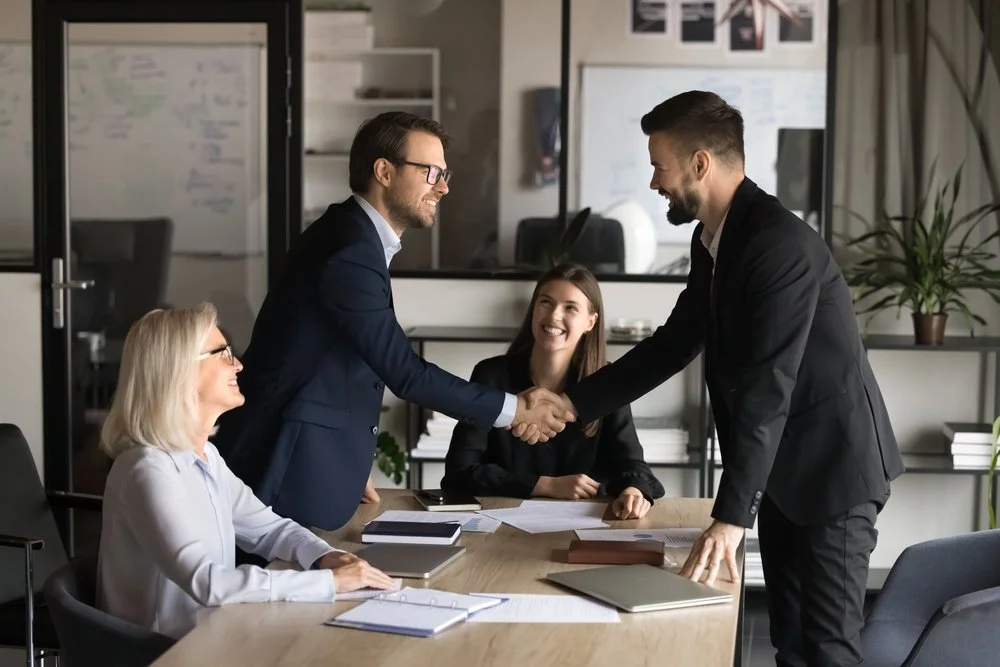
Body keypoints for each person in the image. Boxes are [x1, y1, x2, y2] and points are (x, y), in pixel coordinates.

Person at [521, 91, 903, 667]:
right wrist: (571, 404)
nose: (654, 181)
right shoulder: (715, 239)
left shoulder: (777, 246)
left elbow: (767, 387)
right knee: (791, 647)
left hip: (832, 474)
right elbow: (673, 345)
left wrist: (729, 518)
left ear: (700, 163)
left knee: (827, 651)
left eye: (659, 165)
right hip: (779, 470)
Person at [212, 111, 571, 532]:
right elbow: (404, 372)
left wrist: (344, 456)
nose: (444, 186)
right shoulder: (349, 249)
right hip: (280, 458)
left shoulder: (353, 237)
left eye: (444, 172)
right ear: (384, 171)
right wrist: (514, 410)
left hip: (308, 454)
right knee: (258, 589)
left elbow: (340, 360)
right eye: (431, 172)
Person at [96, 304, 396, 640]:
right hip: (163, 653)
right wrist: (328, 583)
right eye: (222, 353)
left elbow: (269, 530)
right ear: (180, 371)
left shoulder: (204, 455)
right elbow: (208, 583)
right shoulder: (148, 470)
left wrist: (327, 558)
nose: (237, 364)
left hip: (213, 635)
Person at [441, 264, 664, 518]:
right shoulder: (491, 375)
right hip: (500, 523)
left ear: (590, 322)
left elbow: (633, 464)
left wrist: (634, 490)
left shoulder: (606, 382)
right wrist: (545, 485)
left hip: (587, 524)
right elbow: (458, 474)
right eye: (546, 302)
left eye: (570, 308)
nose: (554, 316)